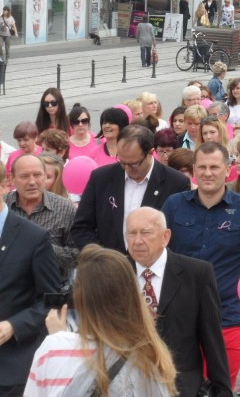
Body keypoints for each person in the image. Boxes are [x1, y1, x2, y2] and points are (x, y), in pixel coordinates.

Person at [163, 142, 240, 386]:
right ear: (193, 170)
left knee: (221, 389)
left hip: (228, 318)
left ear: (228, 170)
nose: (207, 173)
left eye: (214, 167)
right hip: (178, 320)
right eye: (201, 167)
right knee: (177, 389)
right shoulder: (173, 205)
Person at [25, 245, 174, 396]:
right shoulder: (151, 359)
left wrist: (57, 338)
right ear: (132, 296)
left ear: (79, 298)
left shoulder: (53, 348)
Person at [126, 207, 232, 397]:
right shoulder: (116, 273)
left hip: (181, 383)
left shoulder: (197, 273)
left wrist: (222, 390)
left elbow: (212, 337)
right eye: (131, 233)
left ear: (165, 237)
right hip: (127, 383)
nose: (138, 240)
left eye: (146, 232)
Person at [71, 125, 191, 253]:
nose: (127, 169)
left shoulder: (176, 183)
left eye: (134, 164)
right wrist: (103, 257)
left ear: (150, 153)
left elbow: (181, 235)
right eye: (122, 162)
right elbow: (81, 228)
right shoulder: (101, 178)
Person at [0, 163, 61, 396]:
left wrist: (13, 325)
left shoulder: (33, 237)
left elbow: (51, 299)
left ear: (4, 185)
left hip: (11, 368)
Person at [5, 154, 76, 281]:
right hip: (8, 292)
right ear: (12, 178)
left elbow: (77, 257)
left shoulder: (65, 209)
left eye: (37, 175)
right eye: (24, 176)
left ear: (45, 176)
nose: (32, 182)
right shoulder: (3, 207)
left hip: (52, 292)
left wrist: (43, 247)